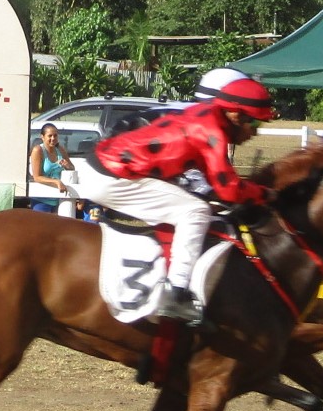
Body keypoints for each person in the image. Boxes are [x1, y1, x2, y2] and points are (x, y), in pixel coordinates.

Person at [73, 76, 276, 323]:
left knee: (195, 205)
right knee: (196, 211)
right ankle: (175, 294)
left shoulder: (207, 116)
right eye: (254, 122)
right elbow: (229, 190)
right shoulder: (211, 130)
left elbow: (215, 179)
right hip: (111, 176)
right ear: (235, 115)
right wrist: (266, 194)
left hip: (104, 168)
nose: (255, 132)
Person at [28, 122, 76, 212]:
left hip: (59, 199)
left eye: (55, 136)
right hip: (41, 200)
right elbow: (37, 177)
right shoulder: (38, 150)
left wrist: (67, 165)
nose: (53, 139)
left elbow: (72, 168)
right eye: (49, 136)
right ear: (42, 137)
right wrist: (56, 182)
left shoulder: (60, 149)